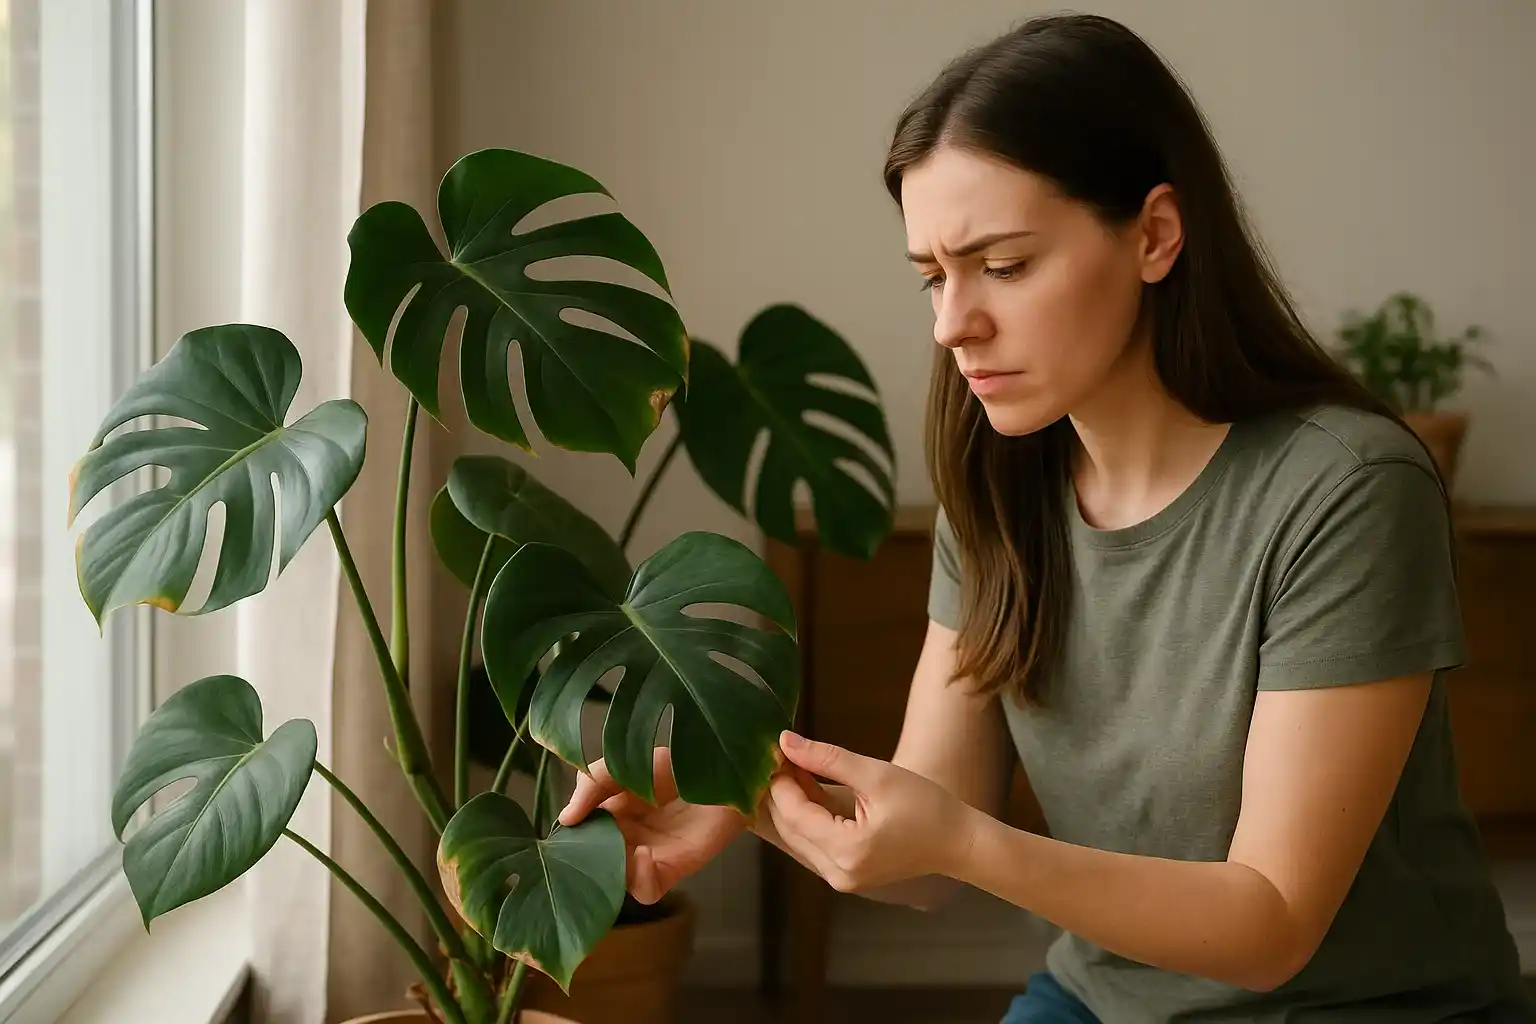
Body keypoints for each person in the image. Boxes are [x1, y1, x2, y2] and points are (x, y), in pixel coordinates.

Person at [561, 14, 1533, 1022]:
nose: (953, 323)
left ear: (1156, 235)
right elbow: (928, 849)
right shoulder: (996, 498)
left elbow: (1270, 923)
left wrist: (959, 840)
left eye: (1006, 264)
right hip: (1100, 1002)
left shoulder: (1347, 488)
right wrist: (744, 787)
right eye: (934, 275)